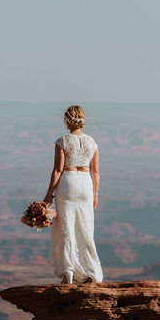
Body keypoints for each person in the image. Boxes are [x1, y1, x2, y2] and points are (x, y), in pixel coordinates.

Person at [42, 105, 103, 284]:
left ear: (67, 120)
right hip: (85, 183)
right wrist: (95, 194)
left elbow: (57, 170)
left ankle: (69, 271)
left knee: (67, 226)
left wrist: (48, 196)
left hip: (68, 182)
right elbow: (96, 172)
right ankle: (90, 270)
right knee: (85, 227)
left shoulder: (62, 141)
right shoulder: (92, 143)